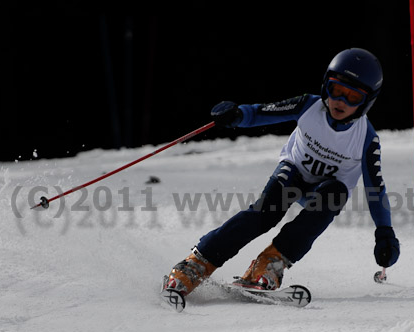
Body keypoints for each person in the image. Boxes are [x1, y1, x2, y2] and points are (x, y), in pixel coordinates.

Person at [163, 48, 400, 296]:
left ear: (367, 101)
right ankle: (197, 263)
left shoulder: (366, 138)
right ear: (325, 86)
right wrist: (236, 115)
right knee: (265, 213)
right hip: (293, 175)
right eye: (336, 90)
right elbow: (262, 112)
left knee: (335, 194)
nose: (340, 101)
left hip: (324, 191)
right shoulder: (309, 106)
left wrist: (385, 232)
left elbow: (376, 189)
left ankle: (270, 264)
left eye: (353, 97)